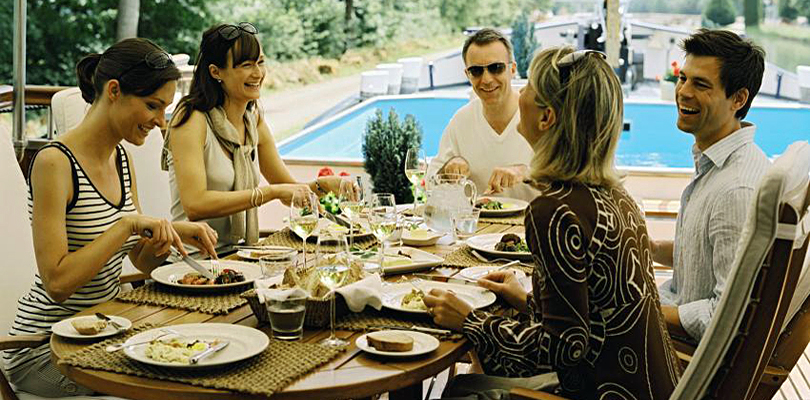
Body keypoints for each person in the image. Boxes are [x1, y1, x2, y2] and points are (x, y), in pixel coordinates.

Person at [424, 47, 682, 400]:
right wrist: (525, 299)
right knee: (473, 378)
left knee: (458, 392)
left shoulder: (554, 212)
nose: (520, 93)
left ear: (546, 118)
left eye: (528, 86)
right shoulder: (615, 195)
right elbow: (591, 322)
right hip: (645, 387)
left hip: (601, 391)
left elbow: (564, 347)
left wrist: (470, 320)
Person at [3, 38, 218, 397]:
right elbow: (57, 284)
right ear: (114, 91)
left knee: (195, 363)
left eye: (164, 109)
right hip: (44, 347)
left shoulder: (121, 158)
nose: (160, 122)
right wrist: (126, 226)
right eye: (153, 106)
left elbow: (140, 260)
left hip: (107, 332)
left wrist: (166, 238)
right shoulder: (55, 163)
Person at [164, 23, 345, 246]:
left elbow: (289, 190)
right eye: (246, 65)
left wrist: (323, 186)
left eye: (260, 62)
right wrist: (268, 193)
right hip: (193, 263)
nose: (258, 73)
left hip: (241, 256)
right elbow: (195, 204)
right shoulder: (192, 118)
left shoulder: (253, 119)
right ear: (215, 71)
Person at [653, 29, 769, 343]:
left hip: (676, 358)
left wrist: (639, 311)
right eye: (683, 78)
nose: (683, 92)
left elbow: (724, 315)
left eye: (701, 84)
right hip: (668, 328)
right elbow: (706, 258)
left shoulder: (736, 190)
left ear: (738, 99)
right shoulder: (722, 165)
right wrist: (643, 246)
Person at [426, 28, 535, 200]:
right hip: (478, 225)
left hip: (534, 224)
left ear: (513, 69)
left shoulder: (540, 116)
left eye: (496, 68)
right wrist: (448, 169)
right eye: (476, 71)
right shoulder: (461, 121)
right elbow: (431, 186)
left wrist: (525, 172)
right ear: (467, 74)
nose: (486, 79)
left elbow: (568, 178)